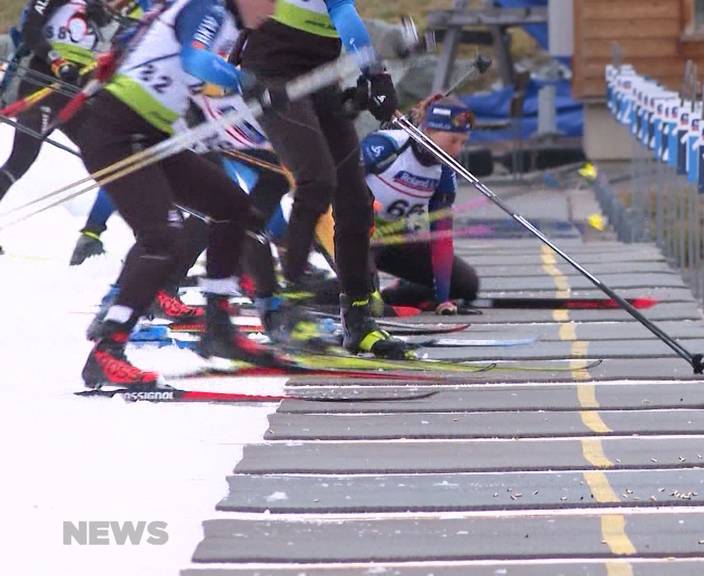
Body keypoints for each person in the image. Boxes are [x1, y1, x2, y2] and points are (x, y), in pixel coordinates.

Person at [77, 0, 284, 388]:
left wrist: (261, 106)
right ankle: (108, 349)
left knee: (232, 208)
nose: (273, 9)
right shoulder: (208, 9)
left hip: (152, 136)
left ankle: (218, 328)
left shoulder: (222, 21)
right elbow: (197, 62)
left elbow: (206, 95)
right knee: (162, 239)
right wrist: (247, 82)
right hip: (117, 134)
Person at [240, 0, 413, 359]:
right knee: (317, 180)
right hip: (272, 76)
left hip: (320, 78)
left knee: (355, 199)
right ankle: (290, 305)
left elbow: (346, 22)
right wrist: (376, 74)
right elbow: (343, 14)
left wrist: (371, 79)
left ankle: (359, 317)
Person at [0, 0, 112, 255]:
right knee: (21, 160)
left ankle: (92, 236)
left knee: (108, 154)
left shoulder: (107, 5)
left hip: (76, 92)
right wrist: (57, 61)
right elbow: (30, 28)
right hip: (45, 83)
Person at [363, 96, 480, 314]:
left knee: (466, 284)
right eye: (452, 140)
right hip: (353, 233)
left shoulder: (444, 172)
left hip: (392, 238)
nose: (457, 150)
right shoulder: (388, 144)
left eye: (463, 142)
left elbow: (441, 235)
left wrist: (443, 298)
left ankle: (393, 296)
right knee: (361, 287)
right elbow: (338, 186)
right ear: (428, 130)